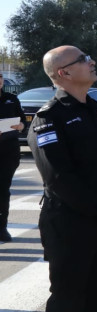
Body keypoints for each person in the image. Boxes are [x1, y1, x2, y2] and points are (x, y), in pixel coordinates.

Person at [29, 46, 97, 312]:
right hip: (71, 225)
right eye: (83, 60)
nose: (92, 61)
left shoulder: (96, 110)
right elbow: (58, 178)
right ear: (64, 72)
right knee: (69, 300)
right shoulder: (49, 118)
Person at [0, 71, 26, 242]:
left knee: (3, 190)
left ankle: (2, 227)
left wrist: (20, 126)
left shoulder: (11, 98)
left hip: (8, 151)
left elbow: (23, 122)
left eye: (0, 77)